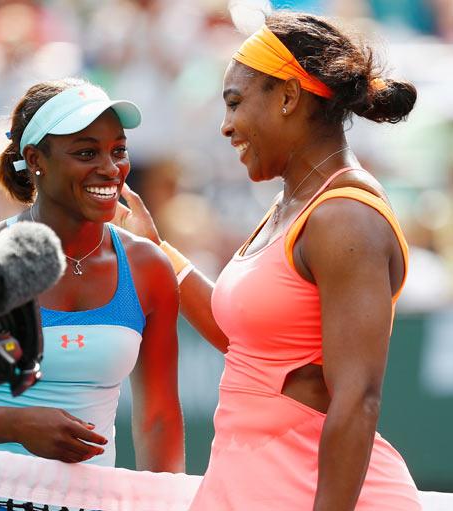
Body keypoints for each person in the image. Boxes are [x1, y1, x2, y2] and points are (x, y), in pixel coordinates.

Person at [112, 11, 422, 511]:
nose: (225, 125)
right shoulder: (293, 204)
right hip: (251, 486)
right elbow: (248, 347)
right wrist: (157, 250)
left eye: (235, 103)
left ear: (288, 97)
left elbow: (357, 398)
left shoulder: (344, 218)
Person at [0, 78, 184, 509]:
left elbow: (158, 419)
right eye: (86, 152)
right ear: (35, 160)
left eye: (118, 150)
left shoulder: (148, 267)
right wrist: (16, 425)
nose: (110, 168)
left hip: (92, 501)